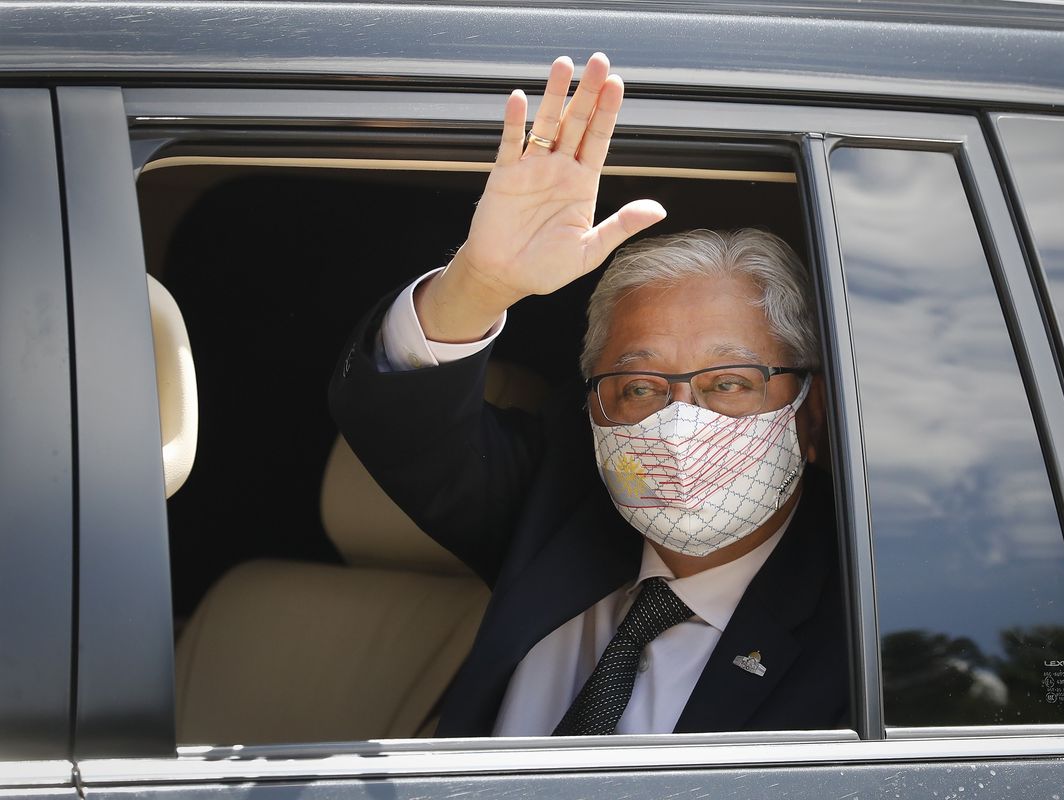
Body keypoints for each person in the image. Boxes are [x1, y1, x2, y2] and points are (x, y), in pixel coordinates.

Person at [330, 53, 847, 737]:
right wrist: (480, 283)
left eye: (728, 383)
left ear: (809, 415)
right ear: (595, 412)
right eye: (638, 386)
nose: (680, 422)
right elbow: (406, 425)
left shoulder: (871, 629)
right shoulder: (558, 506)